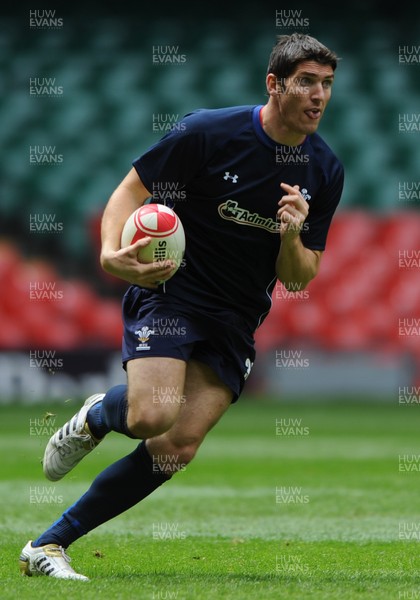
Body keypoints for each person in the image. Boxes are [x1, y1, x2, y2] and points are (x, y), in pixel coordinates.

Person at [20, 32, 344, 580]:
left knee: (176, 446)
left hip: (237, 316)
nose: (318, 95)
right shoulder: (208, 133)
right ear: (274, 84)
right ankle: (101, 413)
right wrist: (110, 253)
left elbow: (299, 277)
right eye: (306, 81)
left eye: (328, 85)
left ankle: (47, 546)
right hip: (171, 289)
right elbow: (131, 189)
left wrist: (291, 235)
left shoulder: (324, 170)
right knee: (151, 414)